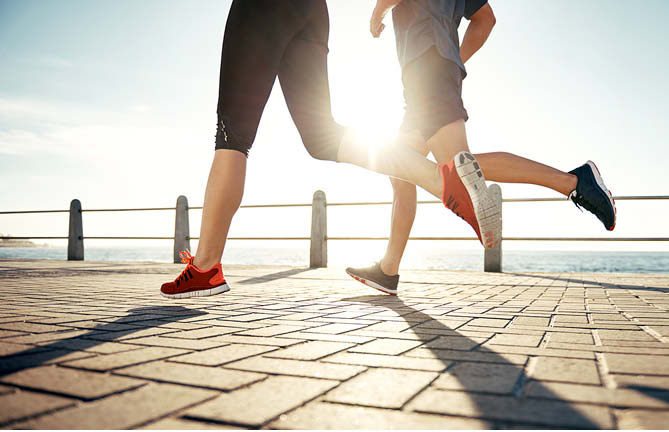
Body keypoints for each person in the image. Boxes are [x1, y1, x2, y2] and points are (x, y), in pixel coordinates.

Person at [160, 0, 500, 299]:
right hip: (312, 11)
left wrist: (379, 10)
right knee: (322, 137)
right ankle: (441, 181)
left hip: (261, 8)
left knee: (231, 135)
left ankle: (206, 266)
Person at [345, 0, 617, 296]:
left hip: (427, 67)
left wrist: (376, 15)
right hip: (430, 68)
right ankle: (388, 269)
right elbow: (485, 19)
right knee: (402, 169)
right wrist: (452, 56)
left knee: (456, 168)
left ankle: (575, 182)